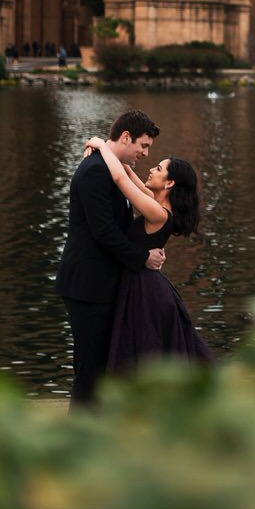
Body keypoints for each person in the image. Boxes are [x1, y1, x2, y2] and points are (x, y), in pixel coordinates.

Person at [54, 109, 166, 407]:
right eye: (143, 145)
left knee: (102, 364)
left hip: (101, 284)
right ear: (126, 137)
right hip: (87, 286)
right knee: (89, 367)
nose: (144, 153)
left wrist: (103, 145)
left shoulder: (109, 167)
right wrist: (142, 257)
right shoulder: (95, 171)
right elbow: (103, 231)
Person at [84, 134, 213, 372]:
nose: (151, 169)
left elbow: (121, 179)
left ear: (170, 183)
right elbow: (130, 175)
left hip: (145, 288)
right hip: (145, 283)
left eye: (159, 168)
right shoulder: (156, 204)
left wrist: (102, 146)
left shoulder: (157, 212)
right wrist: (114, 151)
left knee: (143, 347)